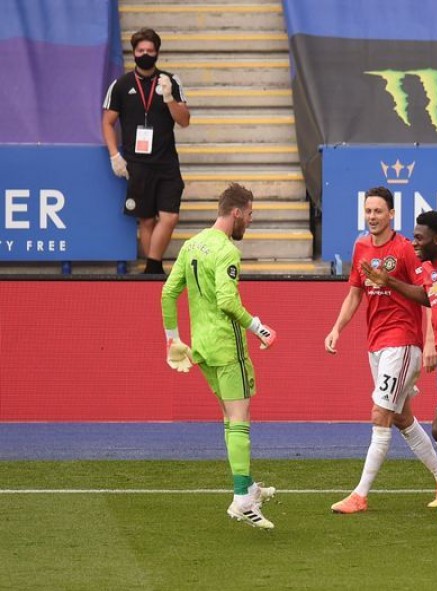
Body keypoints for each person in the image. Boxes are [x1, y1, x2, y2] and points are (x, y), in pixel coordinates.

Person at [325, 187, 437, 514]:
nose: (372, 217)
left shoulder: (406, 249)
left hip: (403, 341)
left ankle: (360, 494)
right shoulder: (360, 246)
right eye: (368, 211)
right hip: (376, 342)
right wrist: (337, 328)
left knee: (380, 413)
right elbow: (354, 293)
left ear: (391, 214)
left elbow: (429, 296)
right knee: (400, 416)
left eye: (378, 211)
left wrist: (430, 341)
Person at [160, 183, 277, 529]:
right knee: (240, 418)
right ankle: (242, 499)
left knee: (229, 417)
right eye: (251, 214)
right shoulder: (227, 251)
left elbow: (168, 293)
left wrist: (172, 340)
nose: (250, 222)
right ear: (237, 212)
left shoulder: (192, 244)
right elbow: (227, 302)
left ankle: (248, 487)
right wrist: (259, 327)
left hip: (202, 348)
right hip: (228, 347)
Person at [361, 210, 437, 533]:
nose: (414, 242)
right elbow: (427, 296)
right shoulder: (429, 269)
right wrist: (388, 281)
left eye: (419, 237)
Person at [103, 28, 190, 275]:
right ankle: (154, 271)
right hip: (137, 164)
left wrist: (170, 98)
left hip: (166, 162)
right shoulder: (121, 85)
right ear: (134, 53)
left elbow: (184, 121)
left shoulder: (171, 81)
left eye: (150, 51)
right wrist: (114, 155)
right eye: (141, 51)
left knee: (170, 216)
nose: (145, 54)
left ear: (157, 53)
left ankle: (152, 267)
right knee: (147, 220)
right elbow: (107, 122)